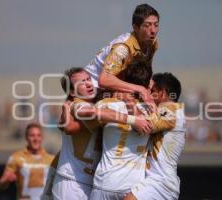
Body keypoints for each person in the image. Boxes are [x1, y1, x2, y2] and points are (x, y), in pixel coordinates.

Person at [52, 67, 152, 200]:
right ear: (72, 92)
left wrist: (124, 95)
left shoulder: (99, 100)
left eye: (88, 79)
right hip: (71, 180)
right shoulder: (76, 104)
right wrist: (133, 120)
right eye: (81, 83)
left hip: (92, 182)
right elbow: (81, 121)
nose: (88, 83)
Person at [125, 72, 186, 200]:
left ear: (162, 93)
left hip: (162, 182)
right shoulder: (167, 110)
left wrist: (129, 101)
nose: (148, 94)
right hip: (157, 180)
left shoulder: (172, 109)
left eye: (152, 91)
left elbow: (145, 125)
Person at [84, 3, 160, 106]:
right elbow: (104, 80)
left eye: (156, 25)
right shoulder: (123, 48)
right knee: (129, 100)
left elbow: (146, 71)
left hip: (113, 84)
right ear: (135, 28)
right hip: (92, 86)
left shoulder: (152, 43)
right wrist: (141, 89)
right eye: (147, 25)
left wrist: (148, 87)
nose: (153, 31)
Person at [0, 122, 54, 200]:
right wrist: (6, 180)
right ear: (26, 137)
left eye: (38, 135)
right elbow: (1, 185)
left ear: (42, 137)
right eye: (32, 135)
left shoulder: (51, 159)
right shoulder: (16, 157)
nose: (35, 139)